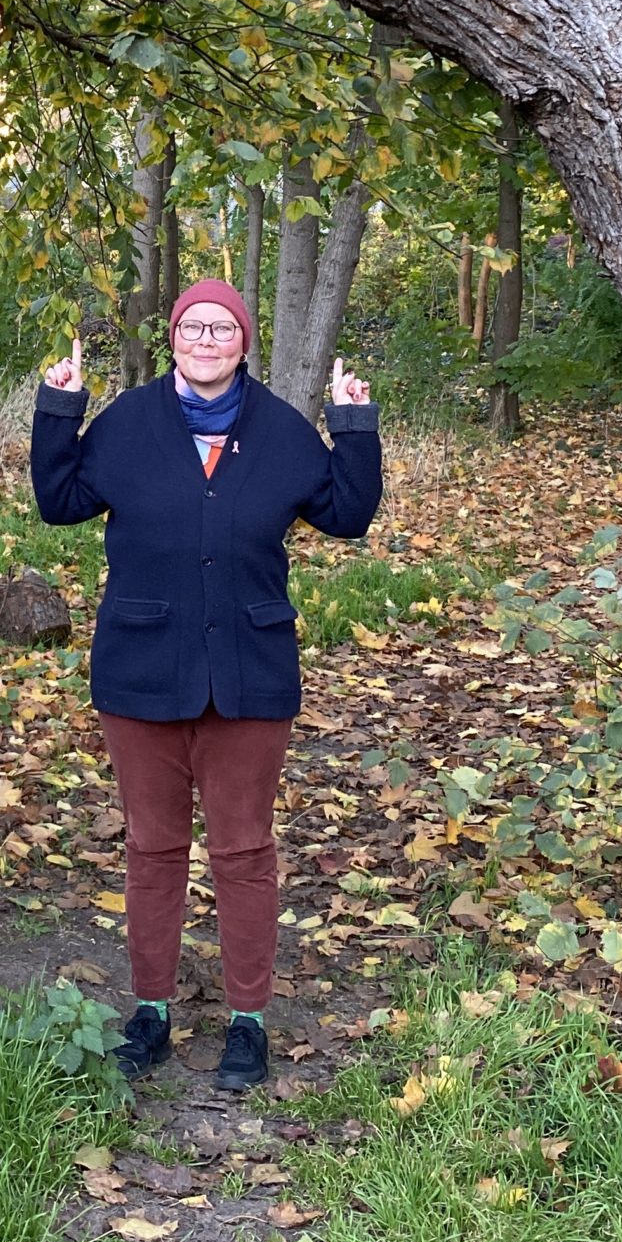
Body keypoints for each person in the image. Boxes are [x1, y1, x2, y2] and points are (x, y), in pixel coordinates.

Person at [33, 278, 380, 1093]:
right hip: (141, 671)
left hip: (250, 676)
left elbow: (348, 512)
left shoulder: (283, 432)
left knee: (244, 852)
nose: (207, 338)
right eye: (194, 325)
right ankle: (149, 1011)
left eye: (223, 327)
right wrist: (61, 413)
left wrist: (353, 424)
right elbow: (59, 502)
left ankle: (248, 1023)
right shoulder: (126, 425)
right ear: (175, 339)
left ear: (245, 341)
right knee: (153, 849)